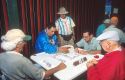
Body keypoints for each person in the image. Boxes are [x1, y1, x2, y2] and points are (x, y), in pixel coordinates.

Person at [0, 29, 66, 80]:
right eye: (24, 41)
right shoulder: (22, 60)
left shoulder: (1, 56)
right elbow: (41, 76)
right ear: (18, 44)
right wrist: (58, 67)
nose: (25, 43)